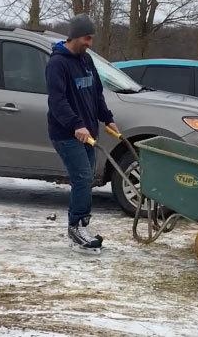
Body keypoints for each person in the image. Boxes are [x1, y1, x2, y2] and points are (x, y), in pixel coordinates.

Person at [45, 14, 120, 254]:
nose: (90, 43)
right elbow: (58, 102)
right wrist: (76, 124)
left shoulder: (86, 60)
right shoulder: (57, 64)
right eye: (87, 38)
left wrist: (108, 118)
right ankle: (76, 228)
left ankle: (80, 225)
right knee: (82, 177)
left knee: (87, 179)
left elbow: (96, 94)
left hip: (87, 132)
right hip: (67, 133)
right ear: (76, 36)